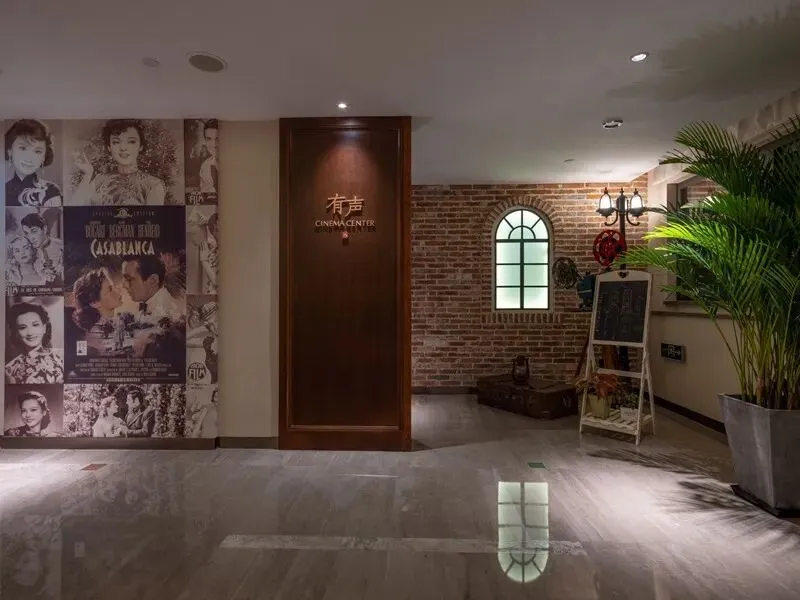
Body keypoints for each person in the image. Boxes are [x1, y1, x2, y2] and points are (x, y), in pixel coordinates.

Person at [71, 119, 166, 205]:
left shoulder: (153, 185)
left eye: (131, 141)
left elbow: (153, 218)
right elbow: (74, 209)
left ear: (140, 146)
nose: (123, 148)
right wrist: (88, 173)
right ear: (109, 147)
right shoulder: (100, 180)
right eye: (116, 142)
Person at [4, 119, 62, 207]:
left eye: (37, 151)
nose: (29, 158)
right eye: (23, 148)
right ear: (10, 151)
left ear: (44, 157)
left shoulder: (52, 191)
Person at [5, 302, 63, 384]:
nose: (30, 333)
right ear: (16, 333)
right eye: (22, 327)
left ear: (44, 328)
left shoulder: (62, 356)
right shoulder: (10, 369)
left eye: (35, 325)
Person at [120, 255, 183, 323]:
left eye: (129, 279)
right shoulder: (145, 307)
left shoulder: (169, 313)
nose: (124, 285)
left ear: (153, 281)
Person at [21, 212, 63, 284]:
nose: (30, 238)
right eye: (27, 233)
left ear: (44, 229)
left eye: (34, 231)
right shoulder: (28, 253)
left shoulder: (61, 246)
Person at [199, 119, 218, 195]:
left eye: (217, 138)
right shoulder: (205, 166)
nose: (214, 144)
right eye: (209, 139)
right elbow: (206, 197)